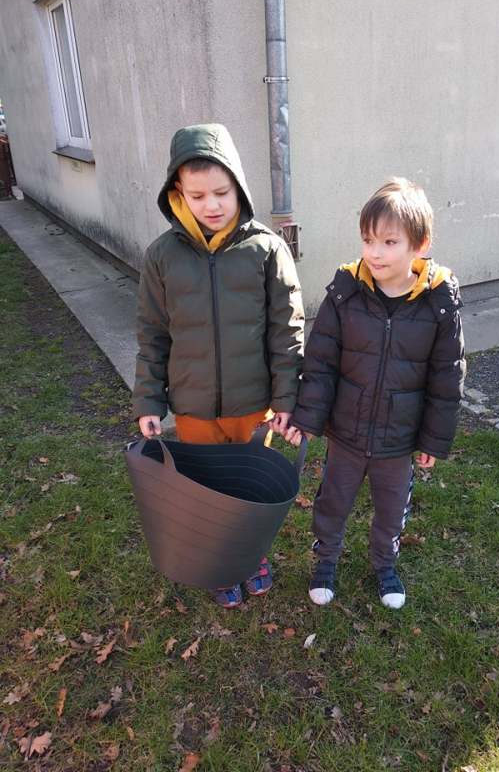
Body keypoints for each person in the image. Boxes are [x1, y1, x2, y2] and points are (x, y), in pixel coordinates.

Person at [133, 123, 304, 608]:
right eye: (198, 195)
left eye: (222, 193)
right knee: (207, 490)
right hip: (193, 407)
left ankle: (250, 556)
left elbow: (287, 331)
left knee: (248, 488)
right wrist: (148, 400)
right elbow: (152, 334)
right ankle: (217, 563)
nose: (212, 205)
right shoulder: (161, 257)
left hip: (254, 405)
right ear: (177, 194)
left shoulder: (267, 250)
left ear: (238, 187)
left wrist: (286, 398)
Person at [283, 178, 465, 609]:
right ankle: (326, 559)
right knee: (333, 501)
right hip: (346, 434)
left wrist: (432, 440)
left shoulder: (438, 304)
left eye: (389, 242)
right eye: (368, 240)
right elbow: (321, 363)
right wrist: (307, 419)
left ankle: (385, 563)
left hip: (398, 441)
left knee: (391, 510)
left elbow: (446, 379)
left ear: (419, 245)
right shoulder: (346, 293)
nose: (375, 252)